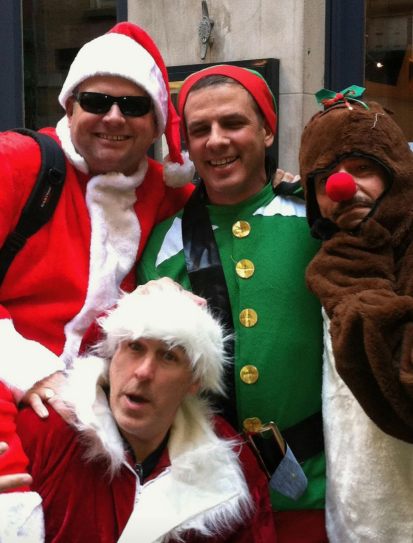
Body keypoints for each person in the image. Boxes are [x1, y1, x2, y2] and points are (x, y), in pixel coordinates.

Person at [0, 21, 195, 533]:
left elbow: (232, 207)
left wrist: (288, 189)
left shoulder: (162, 191)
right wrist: (26, 368)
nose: (114, 117)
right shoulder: (20, 162)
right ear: (69, 106)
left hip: (95, 418)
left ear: (155, 125)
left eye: (133, 106)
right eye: (96, 100)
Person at [136, 65, 326, 541]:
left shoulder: (317, 221)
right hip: (209, 501)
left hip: (320, 490)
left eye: (233, 123)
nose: (216, 141)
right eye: (200, 130)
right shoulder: (164, 241)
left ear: (265, 130)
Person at [1, 284, 277, 542]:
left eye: (168, 356)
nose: (144, 371)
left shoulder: (228, 474)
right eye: (135, 347)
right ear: (112, 355)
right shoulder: (46, 428)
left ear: (195, 381)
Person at [299, 87, 413, 542]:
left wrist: (358, 278)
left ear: (399, 176)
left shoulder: (351, 262)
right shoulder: (340, 250)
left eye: (363, 168)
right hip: (353, 522)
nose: (343, 187)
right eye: (326, 176)